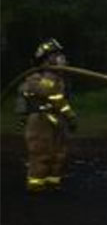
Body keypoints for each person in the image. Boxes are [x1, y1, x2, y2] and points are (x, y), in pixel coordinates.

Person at [19, 38, 77, 192]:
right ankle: (36, 185)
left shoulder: (58, 78)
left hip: (57, 120)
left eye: (60, 55)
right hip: (40, 120)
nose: (61, 58)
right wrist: (51, 75)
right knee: (41, 153)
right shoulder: (34, 77)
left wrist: (70, 116)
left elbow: (60, 100)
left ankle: (53, 182)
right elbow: (45, 91)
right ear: (45, 59)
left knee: (59, 154)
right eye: (55, 55)